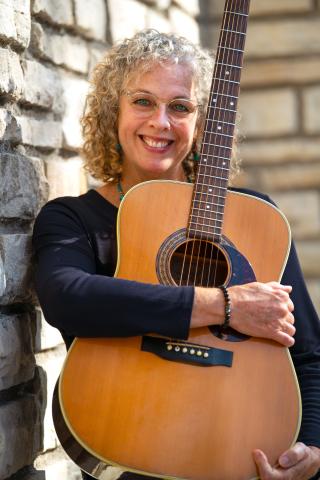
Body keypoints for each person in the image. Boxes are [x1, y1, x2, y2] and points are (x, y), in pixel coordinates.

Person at [32, 30, 320, 480]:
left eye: (180, 107)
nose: (161, 122)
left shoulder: (256, 219)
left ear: (205, 122)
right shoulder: (73, 218)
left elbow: (308, 353)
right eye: (143, 101)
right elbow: (67, 296)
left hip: (236, 450)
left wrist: (313, 447)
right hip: (126, 439)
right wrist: (225, 306)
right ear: (114, 111)